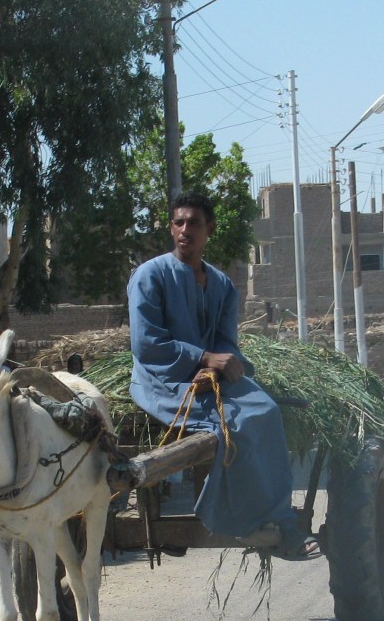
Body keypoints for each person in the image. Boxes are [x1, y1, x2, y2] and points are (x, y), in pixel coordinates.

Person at [127, 193, 319, 559]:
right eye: (179, 222)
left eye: (194, 223)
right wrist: (202, 357)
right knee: (234, 423)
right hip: (162, 381)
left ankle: (277, 519)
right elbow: (147, 345)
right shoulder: (149, 276)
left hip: (209, 380)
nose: (185, 230)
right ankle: (248, 520)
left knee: (266, 411)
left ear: (208, 230)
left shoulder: (221, 285)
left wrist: (230, 363)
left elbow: (226, 343)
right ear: (171, 227)